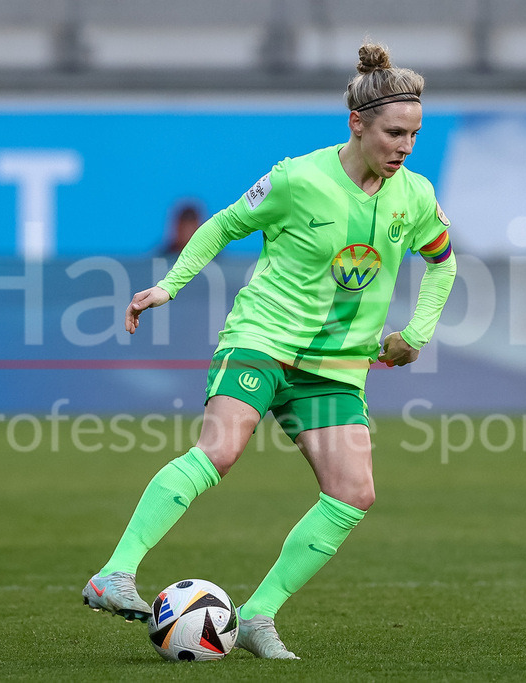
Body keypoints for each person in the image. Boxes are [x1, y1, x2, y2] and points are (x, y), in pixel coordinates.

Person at [82, 42, 457, 660]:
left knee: (353, 493)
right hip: (262, 338)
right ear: (357, 124)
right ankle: (114, 574)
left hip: (337, 364)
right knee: (221, 450)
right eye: (394, 133)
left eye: (414, 135)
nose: (405, 147)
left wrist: (414, 335)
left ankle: (257, 615)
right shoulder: (296, 179)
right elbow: (226, 225)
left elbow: (442, 264)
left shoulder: (414, 196)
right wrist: (169, 286)